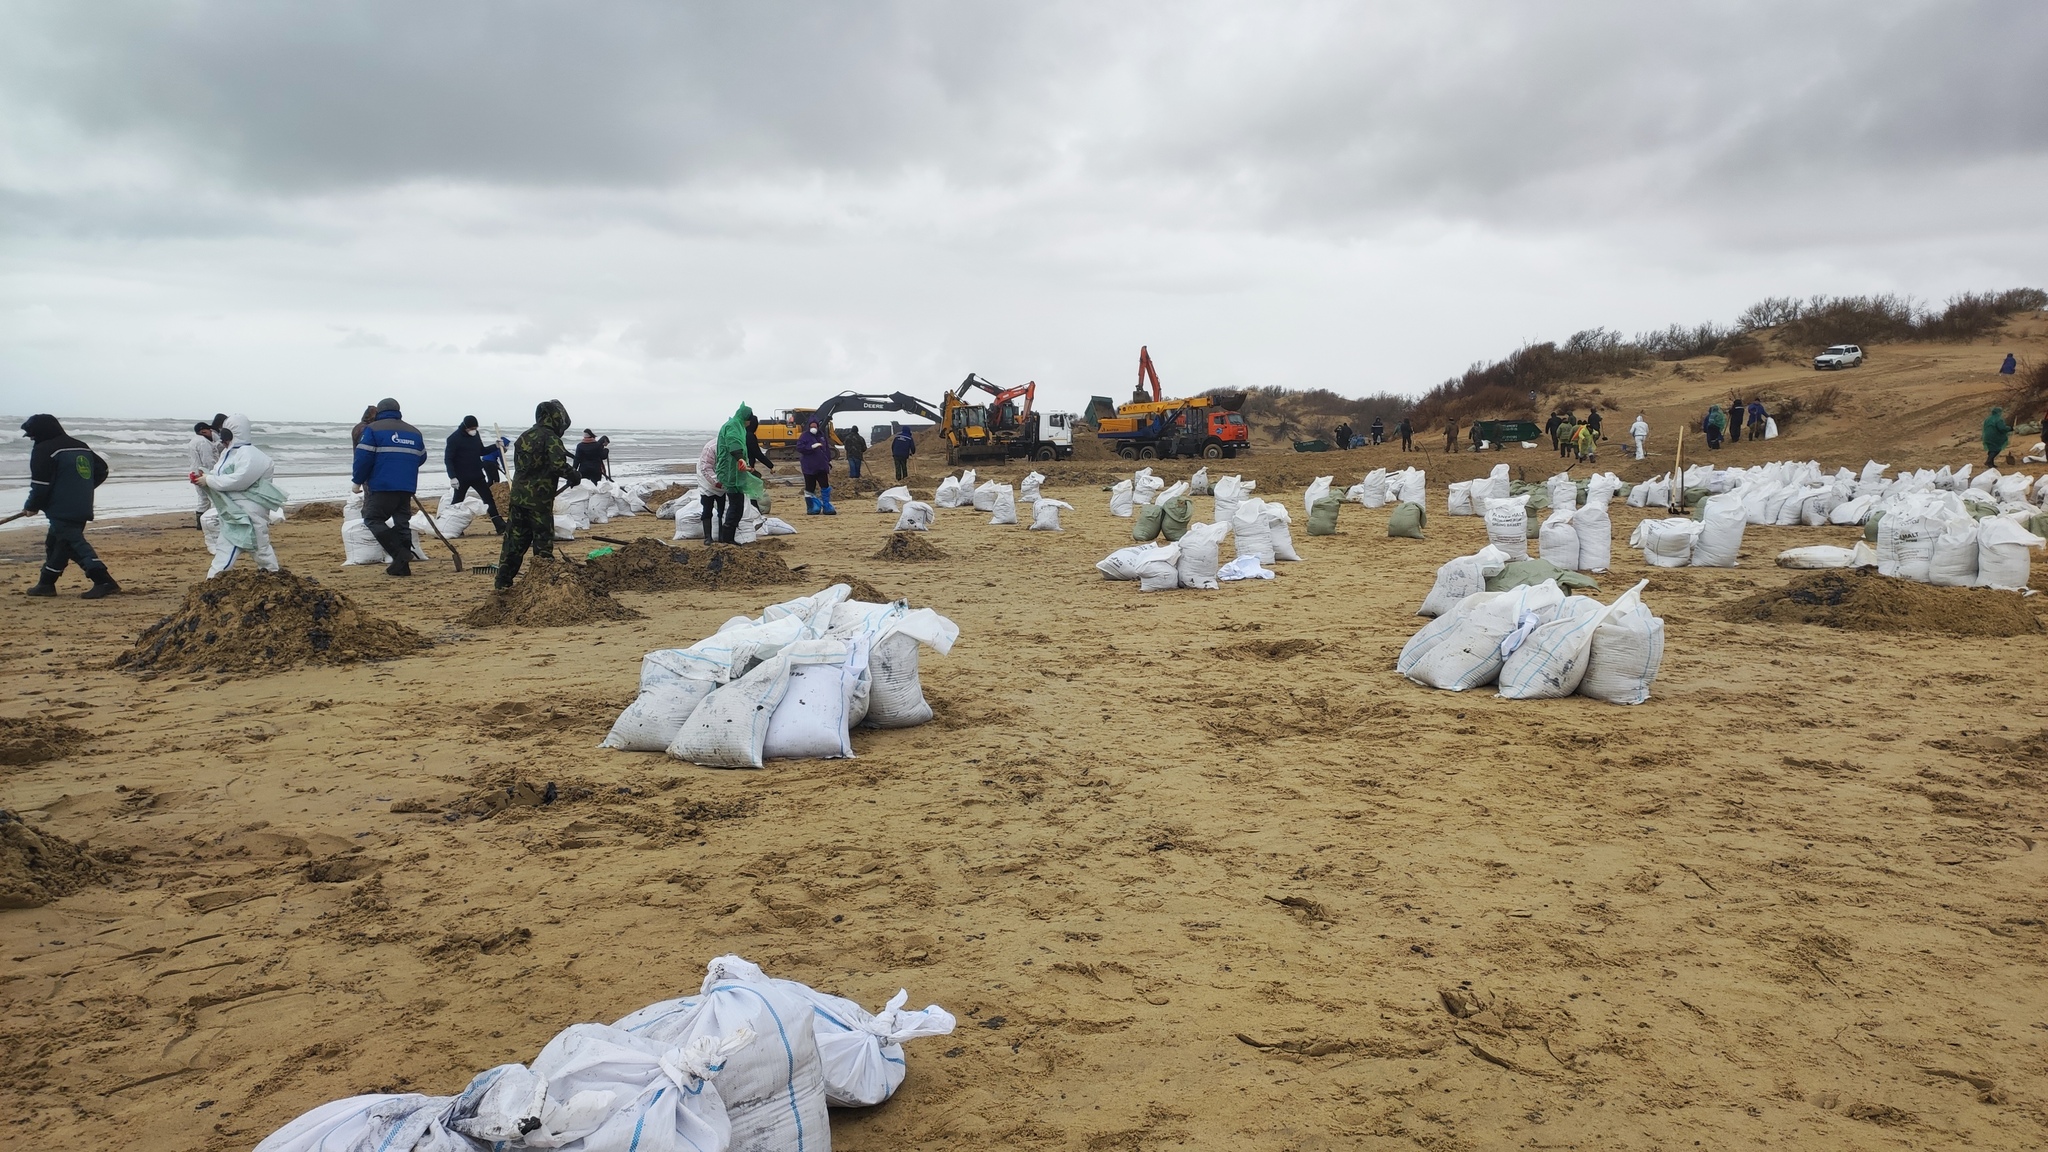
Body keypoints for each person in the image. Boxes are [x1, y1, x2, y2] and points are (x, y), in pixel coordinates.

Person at [20, 415, 118, 599]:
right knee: (58, 542)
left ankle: (103, 580)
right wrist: (82, 489)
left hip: (61, 508)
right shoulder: (80, 445)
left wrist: (32, 506)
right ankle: (46, 583)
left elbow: (40, 485)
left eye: (31, 434)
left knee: (74, 543)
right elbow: (102, 470)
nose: (30, 438)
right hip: (82, 503)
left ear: (40, 432)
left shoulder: (43, 450)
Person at [495, 400, 581, 590]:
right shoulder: (551, 438)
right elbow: (557, 465)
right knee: (542, 543)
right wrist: (574, 475)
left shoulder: (524, 437)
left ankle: (502, 582)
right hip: (539, 502)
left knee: (514, 542)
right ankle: (542, 586)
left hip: (518, 498)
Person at [194, 413, 286, 577]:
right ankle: (213, 580)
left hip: (250, 511)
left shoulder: (251, 455)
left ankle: (273, 577)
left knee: (259, 548)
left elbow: (239, 480)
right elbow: (219, 473)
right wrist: (205, 476)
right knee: (228, 546)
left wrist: (209, 480)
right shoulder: (228, 453)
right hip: (232, 510)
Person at [351, 397, 428, 577]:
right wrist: (404, 468)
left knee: (372, 518)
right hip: (406, 485)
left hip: (382, 484)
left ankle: (400, 554)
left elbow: (363, 458)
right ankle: (402, 567)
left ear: (379, 411)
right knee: (402, 523)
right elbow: (421, 457)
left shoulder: (373, 429)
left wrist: (357, 481)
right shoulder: (414, 432)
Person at [714, 405, 768, 543]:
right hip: (731, 473)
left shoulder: (737, 425)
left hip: (736, 471)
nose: (749, 423)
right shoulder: (733, 427)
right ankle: (727, 540)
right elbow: (733, 444)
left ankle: (729, 538)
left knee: (737, 506)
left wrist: (746, 465)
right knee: (735, 506)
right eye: (748, 420)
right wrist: (740, 458)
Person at [444, 416, 506, 534]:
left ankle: (500, 526)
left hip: (477, 474)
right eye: (472, 428)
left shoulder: (475, 435)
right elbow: (448, 459)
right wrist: (452, 477)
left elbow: (481, 451)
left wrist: (495, 446)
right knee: (457, 502)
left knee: (488, 499)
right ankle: (451, 526)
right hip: (461, 477)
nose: (474, 430)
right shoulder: (453, 439)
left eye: (476, 428)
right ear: (465, 427)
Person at [797, 419, 836, 515]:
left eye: (815, 426)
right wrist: (811, 447)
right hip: (809, 466)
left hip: (821, 466)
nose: (813, 428)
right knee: (810, 487)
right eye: (811, 426)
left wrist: (828, 461)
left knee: (825, 485)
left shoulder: (822, 436)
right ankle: (812, 507)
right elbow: (799, 448)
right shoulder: (804, 436)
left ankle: (826, 506)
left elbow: (826, 449)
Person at [186, 421, 220, 529]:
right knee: (214, 498)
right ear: (203, 431)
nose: (211, 433)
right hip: (203, 473)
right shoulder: (203, 443)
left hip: (194, 472)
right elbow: (207, 460)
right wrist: (214, 474)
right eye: (209, 430)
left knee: (203, 499)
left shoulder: (193, 441)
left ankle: (200, 523)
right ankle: (211, 522)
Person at [695, 434, 726, 542]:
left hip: (723, 480)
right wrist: (716, 482)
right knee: (707, 508)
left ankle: (722, 536)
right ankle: (708, 537)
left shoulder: (733, 446)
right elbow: (706, 468)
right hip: (706, 480)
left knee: (723, 509)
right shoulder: (712, 447)